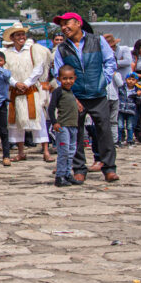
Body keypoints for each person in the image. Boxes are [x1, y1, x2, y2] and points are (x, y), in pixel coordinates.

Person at [52, 12, 119, 183]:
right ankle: (79, 168)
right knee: (76, 133)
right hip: (76, 95)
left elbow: (110, 61)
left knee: (104, 130)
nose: (64, 28)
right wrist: (70, 95)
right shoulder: (62, 48)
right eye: (62, 25)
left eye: (67, 24)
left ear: (78, 23)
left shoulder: (97, 40)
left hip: (98, 93)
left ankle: (109, 168)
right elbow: (58, 72)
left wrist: (104, 80)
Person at [2, 23, 53, 164]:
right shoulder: (7, 53)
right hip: (15, 89)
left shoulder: (33, 50)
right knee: (16, 120)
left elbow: (39, 68)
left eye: (22, 34)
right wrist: (15, 83)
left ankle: (46, 151)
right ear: (12, 37)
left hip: (30, 89)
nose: (21, 37)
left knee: (39, 119)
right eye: (17, 35)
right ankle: (20, 152)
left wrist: (27, 82)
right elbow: (4, 71)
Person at [47, 65, 83, 187]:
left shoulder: (71, 92)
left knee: (71, 151)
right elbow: (51, 108)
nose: (68, 81)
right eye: (65, 78)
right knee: (64, 152)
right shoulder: (58, 92)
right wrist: (54, 122)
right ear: (59, 79)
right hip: (63, 127)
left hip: (73, 126)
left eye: (71, 78)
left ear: (75, 78)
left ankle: (67, 174)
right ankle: (60, 176)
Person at [118, 74, 139, 147]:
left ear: (136, 81)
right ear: (126, 80)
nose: (131, 81)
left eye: (133, 80)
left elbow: (140, 100)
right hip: (121, 109)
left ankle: (130, 140)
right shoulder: (121, 88)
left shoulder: (137, 90)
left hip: (131, 110)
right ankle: (119, 139)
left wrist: (138, 95)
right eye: (129, 79)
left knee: (130, 126)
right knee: (120, 125)